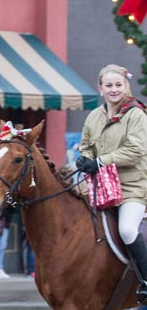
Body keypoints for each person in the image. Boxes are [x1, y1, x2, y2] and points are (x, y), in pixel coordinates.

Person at [76, 64, 147, 304]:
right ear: (101, 88)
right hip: (100, 187)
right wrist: (83, 158)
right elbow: (85, 144)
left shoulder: (136, 114)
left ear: (126, 86)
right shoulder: (93, 116)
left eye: (118, 85)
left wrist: (99, 161)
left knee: (127, 229)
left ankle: (146, 280)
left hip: (132, 188)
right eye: (109, 85)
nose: (114, 89)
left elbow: (135, 151)